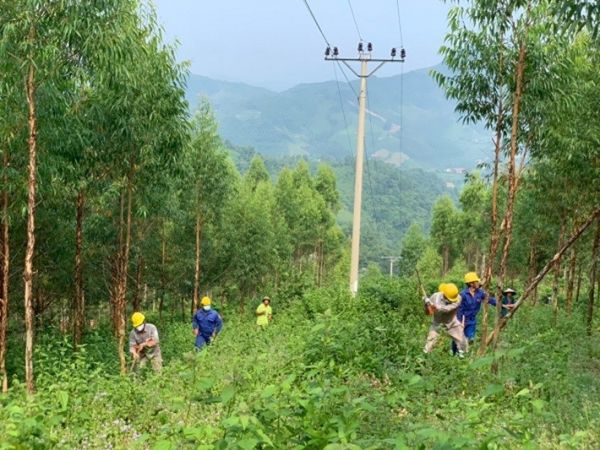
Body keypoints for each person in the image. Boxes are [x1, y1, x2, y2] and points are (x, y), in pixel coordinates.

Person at [452, 272, 497, 355]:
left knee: (470, 338)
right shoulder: (463, 294)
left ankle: (465, 354)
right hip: (461, 320)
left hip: (472, 320)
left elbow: (490, 300)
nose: (478, 283)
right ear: (471, 283)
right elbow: (459, 309)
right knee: (458, 338)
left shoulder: (480, 293)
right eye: (476, 281)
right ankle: (454, 353)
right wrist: (460, 322)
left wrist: (502, 305)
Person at [423, 283, 468, 357]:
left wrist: (435, 306)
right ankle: (424, 357)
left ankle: (463, 357)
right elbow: (428, 313)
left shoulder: (458, 298)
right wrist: (426, 304)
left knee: (462, 341)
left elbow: (447, 309)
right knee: (430, 342)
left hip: (452, 323)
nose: (451, 301)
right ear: (444, 294)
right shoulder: (435, 297)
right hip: (437, 323)